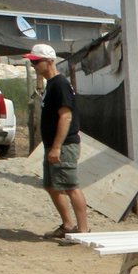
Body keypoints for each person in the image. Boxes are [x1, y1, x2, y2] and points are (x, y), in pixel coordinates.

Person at [26, 44, 88, 238]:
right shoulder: (51, 84)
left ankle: (83, 230)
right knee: (51, 185)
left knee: (70, 186)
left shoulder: (60, 84)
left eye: (36, 61)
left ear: (50, 61)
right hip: (52, 145)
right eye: (32, 62)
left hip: (63, 145)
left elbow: (66, 117)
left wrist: (57, 147)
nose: (33, 65)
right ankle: (68, 225)